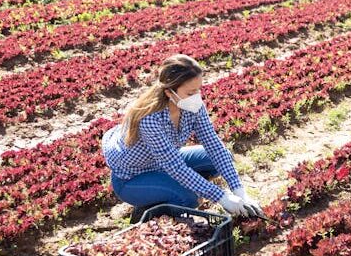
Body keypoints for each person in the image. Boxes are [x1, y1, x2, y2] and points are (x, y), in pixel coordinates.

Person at [101, 54, 263, 221]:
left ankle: (174, 188)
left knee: (220, 158)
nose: (196, 96)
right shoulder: (150, 118)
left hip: (162, 163)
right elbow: (175, 167)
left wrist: (240, 192)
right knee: (189, 198)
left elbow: (213, 145)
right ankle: (148, 209)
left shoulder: (192, 105)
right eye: (190, 92)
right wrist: (221, 197)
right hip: (132, 177)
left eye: (198, 90)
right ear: (170, 93)